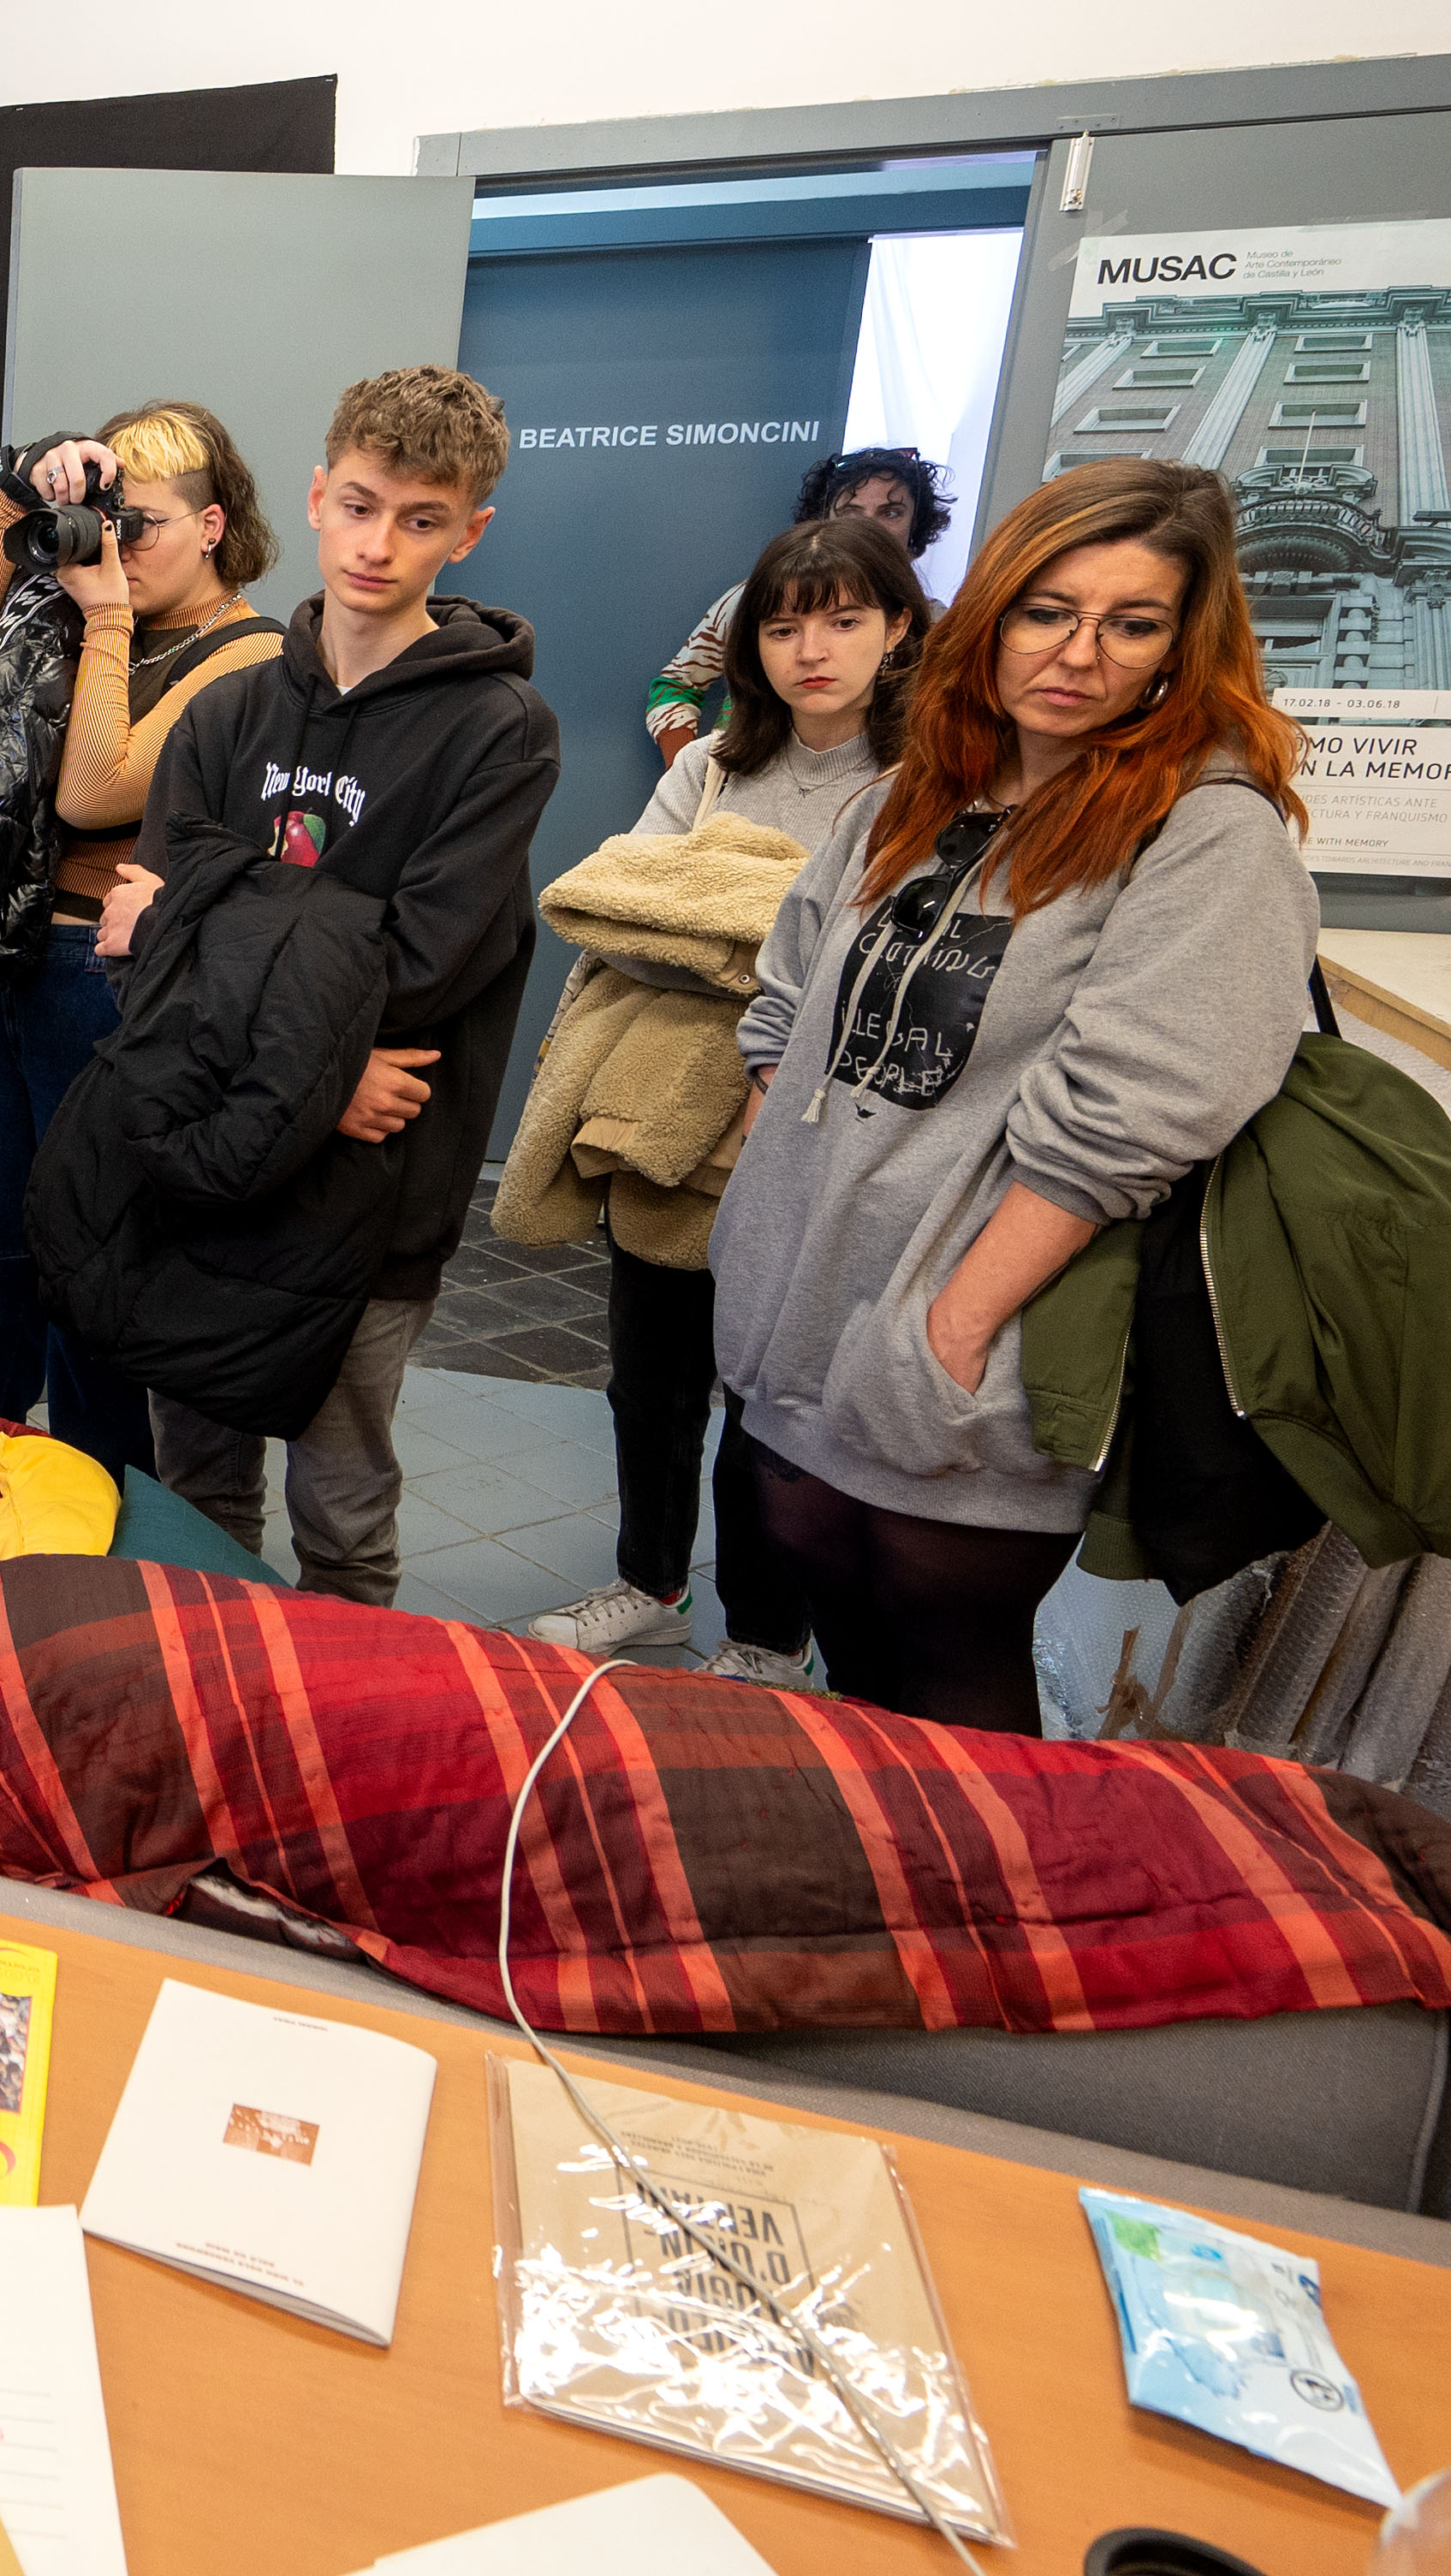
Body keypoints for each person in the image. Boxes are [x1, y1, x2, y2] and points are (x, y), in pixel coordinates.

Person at [705, 459, 1320, 1734]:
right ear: (990, 617)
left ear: (1179, 651)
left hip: (977, 1307)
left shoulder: (1207, 832)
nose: (1081, 654)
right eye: (1048, 610)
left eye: (1132, 624)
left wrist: (957, 1324)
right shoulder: (911, 793)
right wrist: (762, 1216)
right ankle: (871, 1896)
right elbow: (789, 992)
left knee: (945, 1645)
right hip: (806, 1291)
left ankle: (965, 1921)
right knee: (834, 1604)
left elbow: (1143, 1108)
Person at [51, 369, 558, 1604]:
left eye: (423, 519)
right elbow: (143, 959)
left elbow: (423, 962)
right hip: (215, 1160)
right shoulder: (228, 713)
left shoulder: (501, 732)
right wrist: (311, 1063)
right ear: (322, 498)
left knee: (342, 1508)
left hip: (374, 1187)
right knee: (198, 1489)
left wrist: (194, 910)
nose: (382, 545)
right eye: (364, 506)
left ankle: (326, 1763)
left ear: (471, 531)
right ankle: (209, 1732)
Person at [510, 510, 930, 1676]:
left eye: (845, 620)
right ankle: (647, 1583)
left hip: (815, 1134)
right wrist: (769, 949)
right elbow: (615, 917)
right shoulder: (710, 767)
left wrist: (725, 938)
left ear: (898, 628)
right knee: (650, 1386)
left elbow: (883, 971)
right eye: (786, 626)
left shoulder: (928, 785)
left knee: (769, 1413)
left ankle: (763, 1634)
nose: (813, 650)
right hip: (668, 1128)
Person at [0, 406, 283, 1473]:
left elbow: (93, 794)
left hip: (112, 982)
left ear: (214, 525)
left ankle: (97, 1528)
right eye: (109, 518)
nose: (121, 544)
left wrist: (108, 614)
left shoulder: (250, 654)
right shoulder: (73, 611)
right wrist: (17, 498)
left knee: (89, 1269)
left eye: (148, 524)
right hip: (25, 961)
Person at [647, 447, 949, 760]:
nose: (868, 526)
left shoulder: (939, 626)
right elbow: (674, 685)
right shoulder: (758, 598)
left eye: (890, 513)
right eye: (851, 512)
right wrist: (688, 771)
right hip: (741, 778)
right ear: (822, 518)